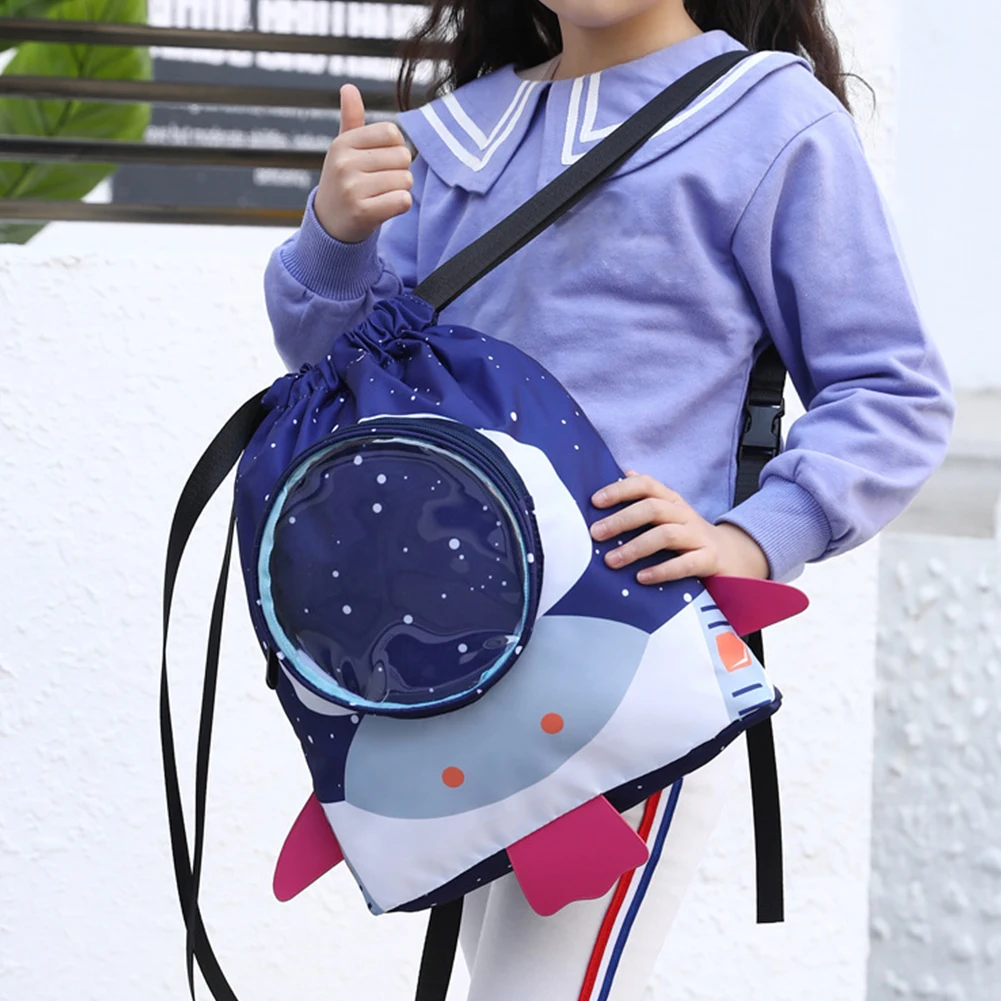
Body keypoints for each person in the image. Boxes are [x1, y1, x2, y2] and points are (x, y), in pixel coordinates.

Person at [262, 1, 955, 997]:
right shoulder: (454, 137)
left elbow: (888, 389)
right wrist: (334, 239)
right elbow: (349, 386)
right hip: (450, 668)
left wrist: (752, 538)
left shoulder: (764, 119)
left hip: (629, 662)